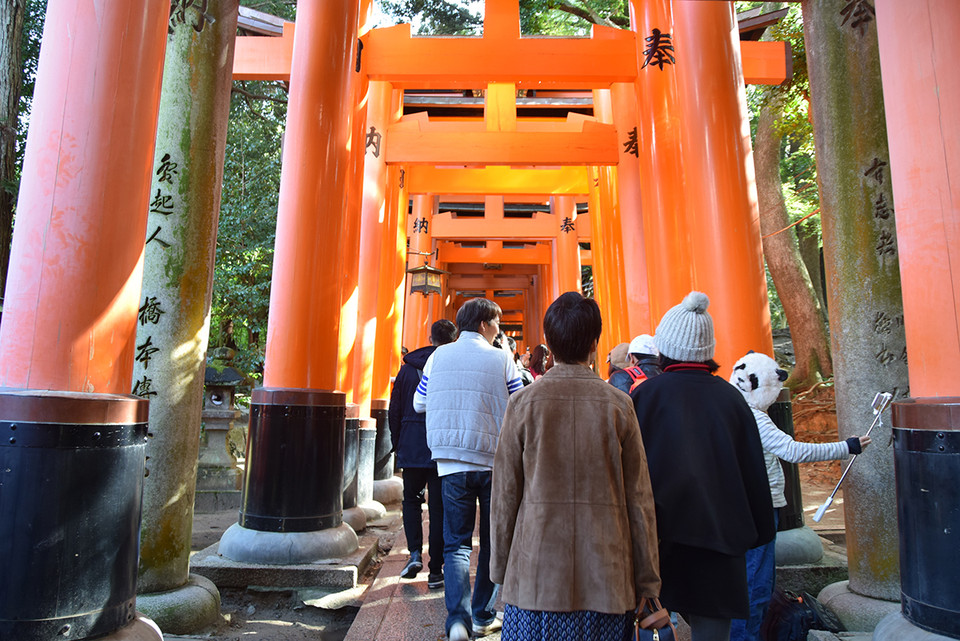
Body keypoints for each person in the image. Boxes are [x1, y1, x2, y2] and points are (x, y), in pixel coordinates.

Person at [491, 292, 661, 641]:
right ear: (595, 343)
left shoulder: (523, 403)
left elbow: (505, 494)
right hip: (607, 578)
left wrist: (500, 569)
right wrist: (647, 580)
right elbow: (639, 500)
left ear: (549, 343)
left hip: (536, 577)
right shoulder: (619, 405)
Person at [631, 291, 775, 641]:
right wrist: (759, 531)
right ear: (706, 351)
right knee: (713, 632)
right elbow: (753, 472)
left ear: (663, 349)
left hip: (660, 541)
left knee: (657, 624)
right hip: (720, 543)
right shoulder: (731, 399)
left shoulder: (645, 396)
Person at [727, 351, 871, 641]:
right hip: (760, 505)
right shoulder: (755, 417)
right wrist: (846, 447)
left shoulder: (725, 411)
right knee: (756, 585)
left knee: (745, 581)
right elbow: (793, 450)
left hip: (736, 505)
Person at [414, 298, 524, 641]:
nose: (499, 331)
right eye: (497, 324)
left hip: (450, 463)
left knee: (456, 544)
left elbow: (419, 402)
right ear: (483, 325)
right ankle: (482, 614)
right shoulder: (501, 357)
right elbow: (520, 401)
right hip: (493, 461)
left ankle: (457, 621)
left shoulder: (437, 357)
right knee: (493, 541)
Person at [389, 319, 459, 589]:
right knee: (439, 507)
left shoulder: (407, 371)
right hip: (441, 445)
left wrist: (398, 444)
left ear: (430, 338)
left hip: (412, 443)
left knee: (411, 500)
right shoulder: (450, 367)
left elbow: (394, 412)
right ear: (453, 340)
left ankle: (414, 553)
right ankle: (436, 570)